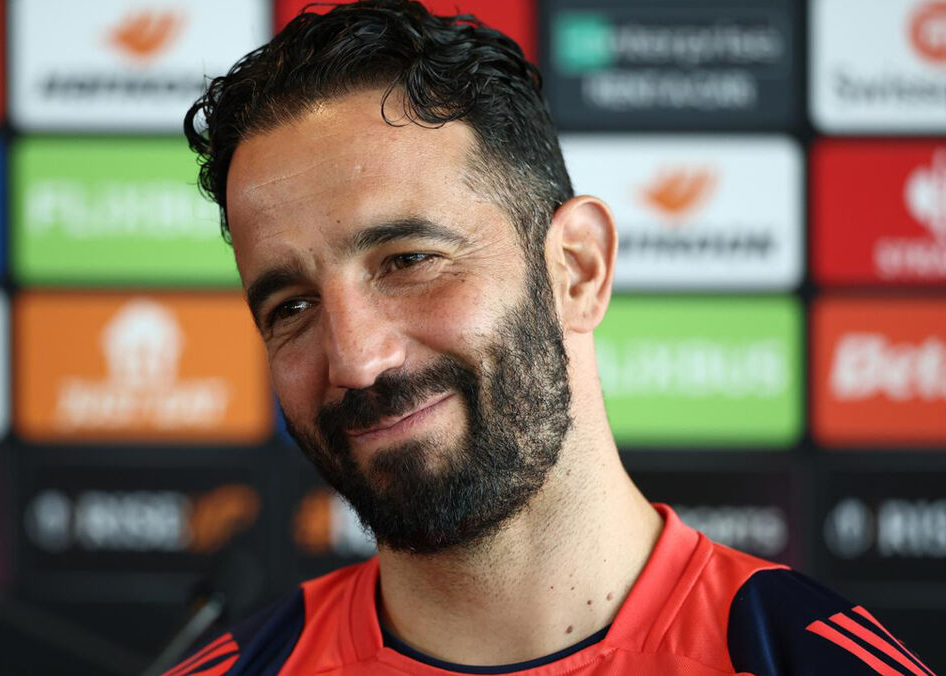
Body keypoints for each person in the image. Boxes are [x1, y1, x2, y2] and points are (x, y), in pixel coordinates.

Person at [166, 1, 936, 674]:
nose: (358, 360)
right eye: (292, 307)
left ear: (577, 269)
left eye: (408, 261)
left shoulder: (798, 657)